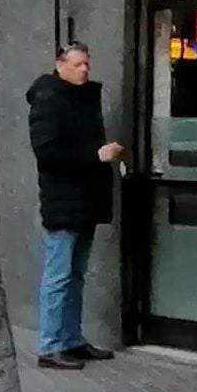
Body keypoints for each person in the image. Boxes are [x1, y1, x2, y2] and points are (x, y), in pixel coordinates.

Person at [26, 41, 124, 368]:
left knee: (76, 274)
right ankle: (51, 345)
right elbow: (48, 154)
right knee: (59, 275)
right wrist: (96, 156)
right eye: (78, 64)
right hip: (63, 201)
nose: (84, 69)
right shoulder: (48, 100)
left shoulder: (83, 97)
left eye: (87, 64)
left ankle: (71, 339)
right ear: (60, 64)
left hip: (85, 199)